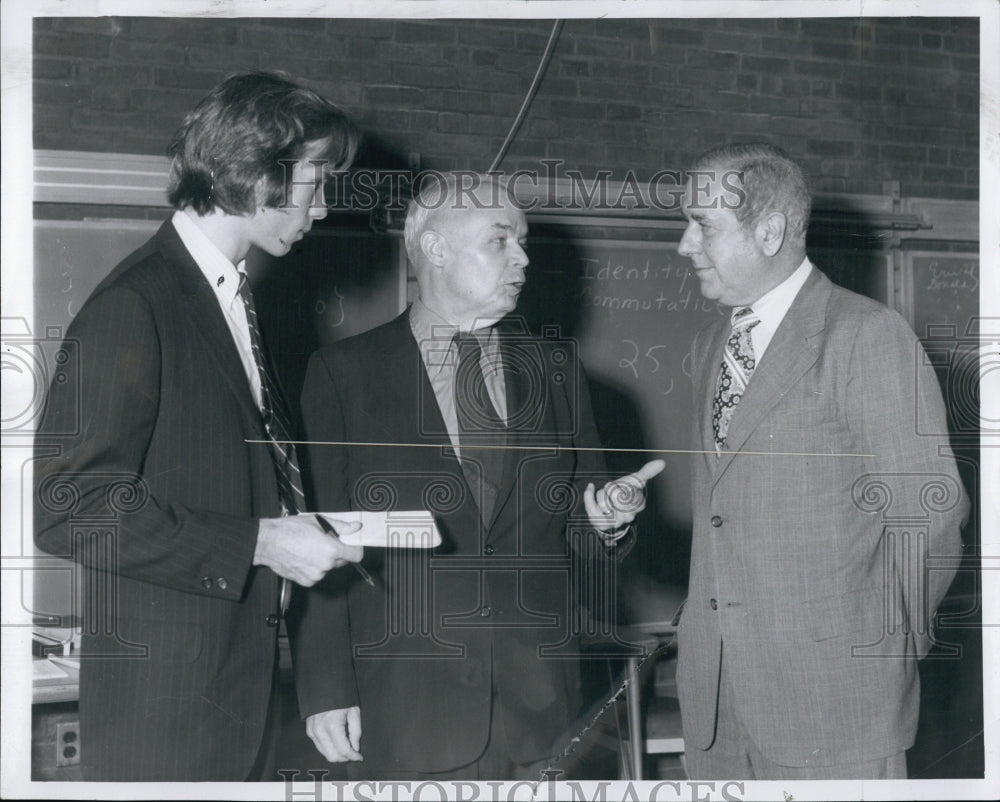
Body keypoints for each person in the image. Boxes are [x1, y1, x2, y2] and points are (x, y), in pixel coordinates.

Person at [33, 71, 366, 781]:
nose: (326, 206)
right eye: (317, 179)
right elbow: (70, 510)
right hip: (164, 718)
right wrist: (260, 542)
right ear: (256, 171)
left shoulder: (235, 299)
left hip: (234, 698)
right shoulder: (136, 303)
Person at [291, 173, 664, 780]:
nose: (522, 258)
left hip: (544, 712)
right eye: (500, 241)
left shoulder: (558, 373)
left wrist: (605, 522)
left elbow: (582, 531)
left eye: (523, 242)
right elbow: (318, 538)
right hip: (406, 706)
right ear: (436, 249)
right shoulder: (343, 374)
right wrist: (325, 687)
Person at [675, 142, 969, 779]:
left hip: (836, 709)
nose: (684, 245)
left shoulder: (865, 333)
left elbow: (930, 518)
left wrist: (886, 651)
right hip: (717, 708)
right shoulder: (713, 345)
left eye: (702, 225)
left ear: (770, 230)